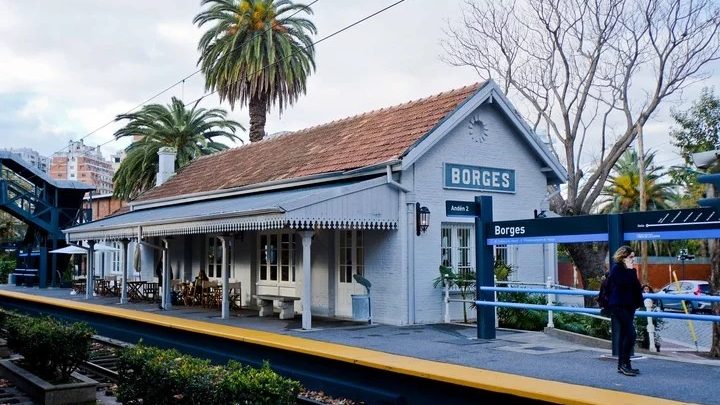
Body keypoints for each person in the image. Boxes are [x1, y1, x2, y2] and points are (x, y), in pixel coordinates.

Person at [607, 245, 644, 376]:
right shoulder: (617, 269)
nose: (633, 259)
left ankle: (624, 365)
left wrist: (639, 303)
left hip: (629, 306)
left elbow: (635, 287)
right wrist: (629, 270)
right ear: (623, 257)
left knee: (624, 334)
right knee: (631, 334)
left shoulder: (630, 270)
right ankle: (624, 364)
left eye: (633, 257)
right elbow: (624, 284)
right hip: (619, 305)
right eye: (630, 257)